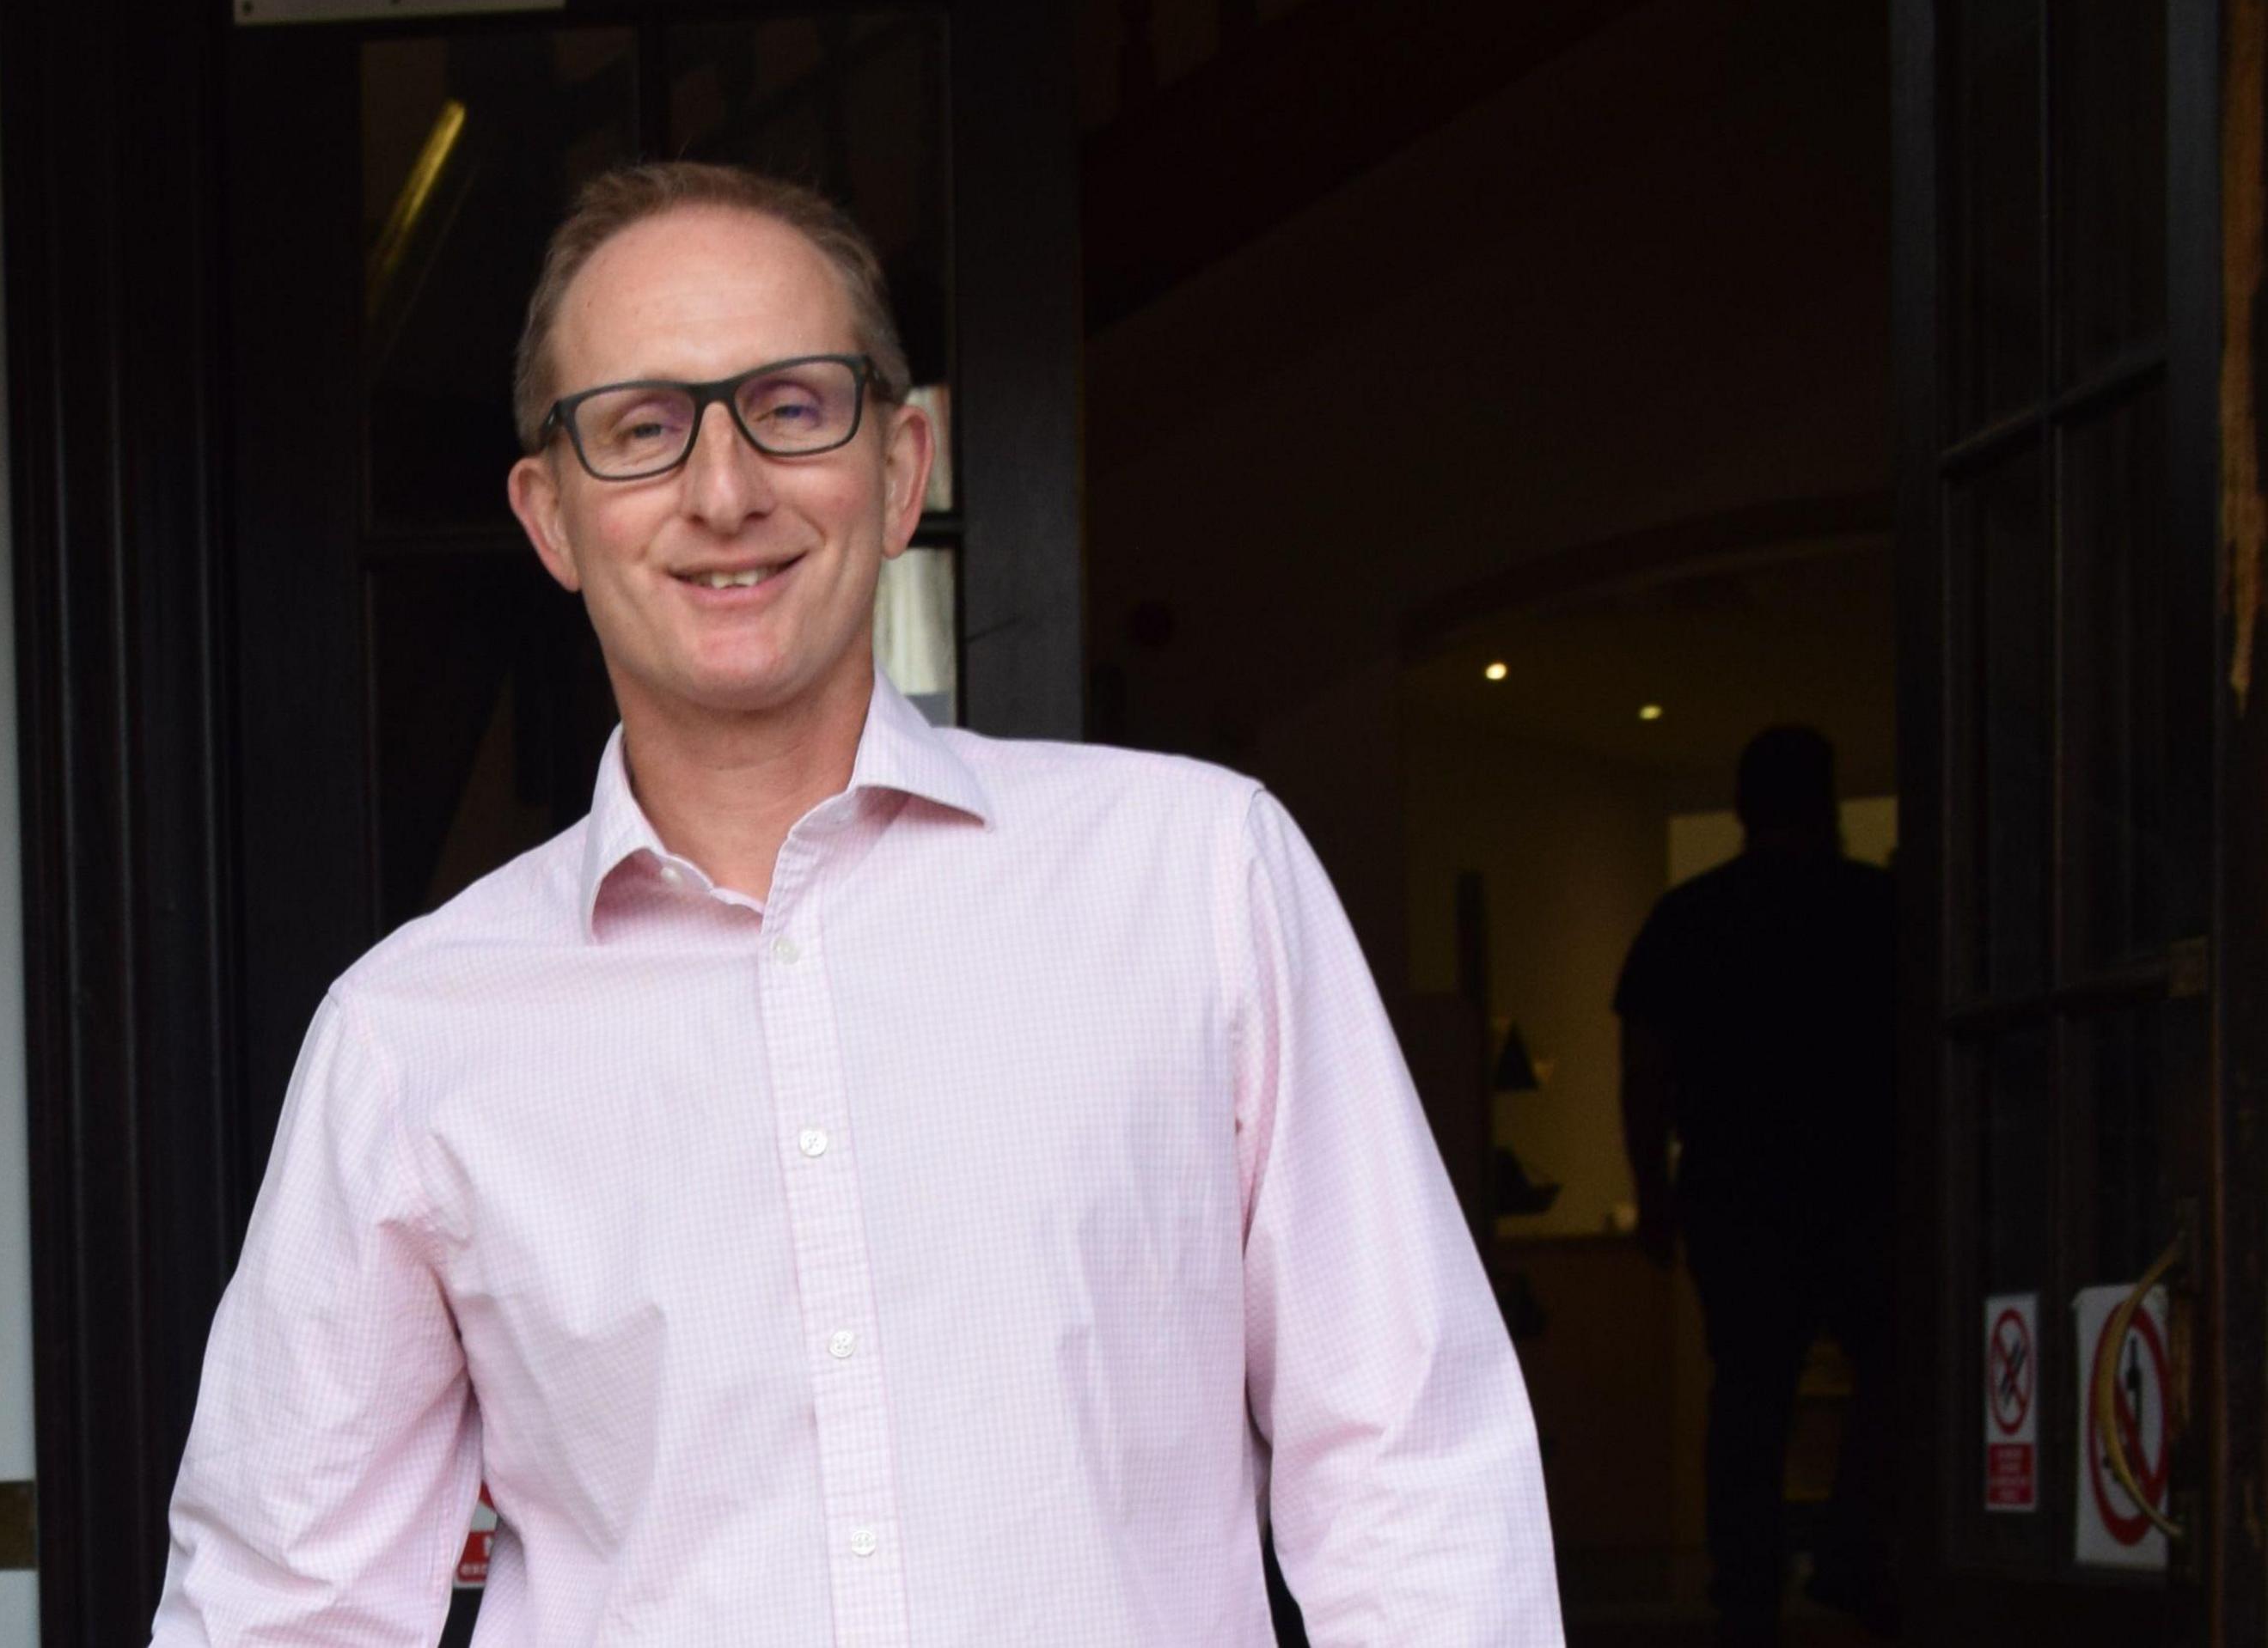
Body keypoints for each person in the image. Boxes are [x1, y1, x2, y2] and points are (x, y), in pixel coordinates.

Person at [148, 162, 1559, 1645]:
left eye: (794, 405)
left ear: (900, 468)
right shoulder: (409, 1032)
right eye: (640, 427)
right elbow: (284, 1607)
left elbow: (1411, 1479)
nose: (724, 488)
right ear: (551, 518)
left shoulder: (1197, 876)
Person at [1616, 725, 1898, 1647]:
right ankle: (1858, 1552)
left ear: (1742, 806)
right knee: (1892, 1373)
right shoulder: (1877, 910)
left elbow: (1644, 1071)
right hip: (1862, 1182)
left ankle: (1748, 1583)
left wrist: (1653, 1195)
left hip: (1738, 1190)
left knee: (1748, 1393)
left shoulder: (1692, 917)